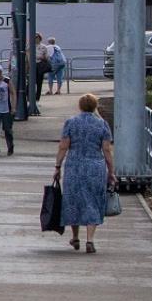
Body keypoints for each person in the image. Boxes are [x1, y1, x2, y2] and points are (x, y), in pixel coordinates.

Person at [53, 93, 116, 254]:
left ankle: (75, 237)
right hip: (95, 167)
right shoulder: (102, 124)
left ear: (80, 106)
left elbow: (63, 146)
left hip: (74, 166)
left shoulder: (71, 122)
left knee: (73, 201)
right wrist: (111, 171)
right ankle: (90, 240)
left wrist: (58, 166)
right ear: (95, 106)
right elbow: (106, 149)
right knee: (93, 201)